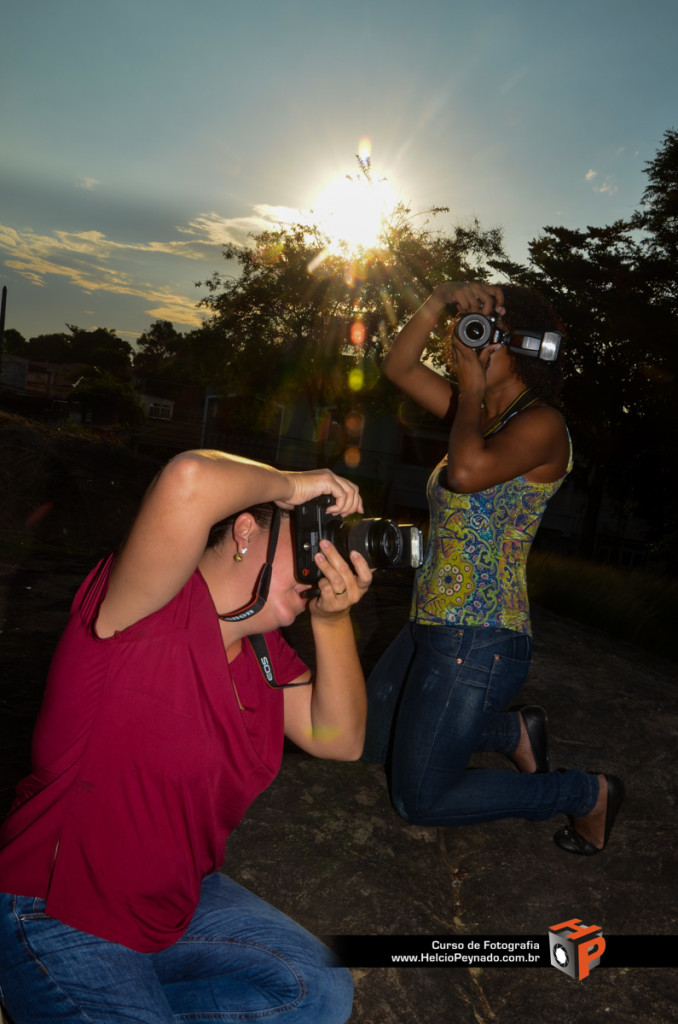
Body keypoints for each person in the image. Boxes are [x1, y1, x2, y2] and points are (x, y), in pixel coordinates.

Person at [0, 449, 374, 1024]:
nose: (315, 569)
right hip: (57, 909)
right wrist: (295, 485)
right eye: (306, 547)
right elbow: (188, 479)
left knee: (319, 990)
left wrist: (331, 617)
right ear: (246, 529)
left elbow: (341, 737)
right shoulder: (147, 608)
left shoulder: (262, 653)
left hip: (172, 907)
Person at [362, 280, 624, 855]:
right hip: (428, 620)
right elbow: (399, 367)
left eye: (491, 328)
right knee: (365, 735)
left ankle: (586, 794)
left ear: (525, 344)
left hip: (481, 635)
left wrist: (471, 386)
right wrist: (437, 299)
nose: (473, 338)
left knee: (418, 799)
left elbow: (466, 472)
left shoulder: (544, 426)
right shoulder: (477, 414)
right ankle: (513, 731)